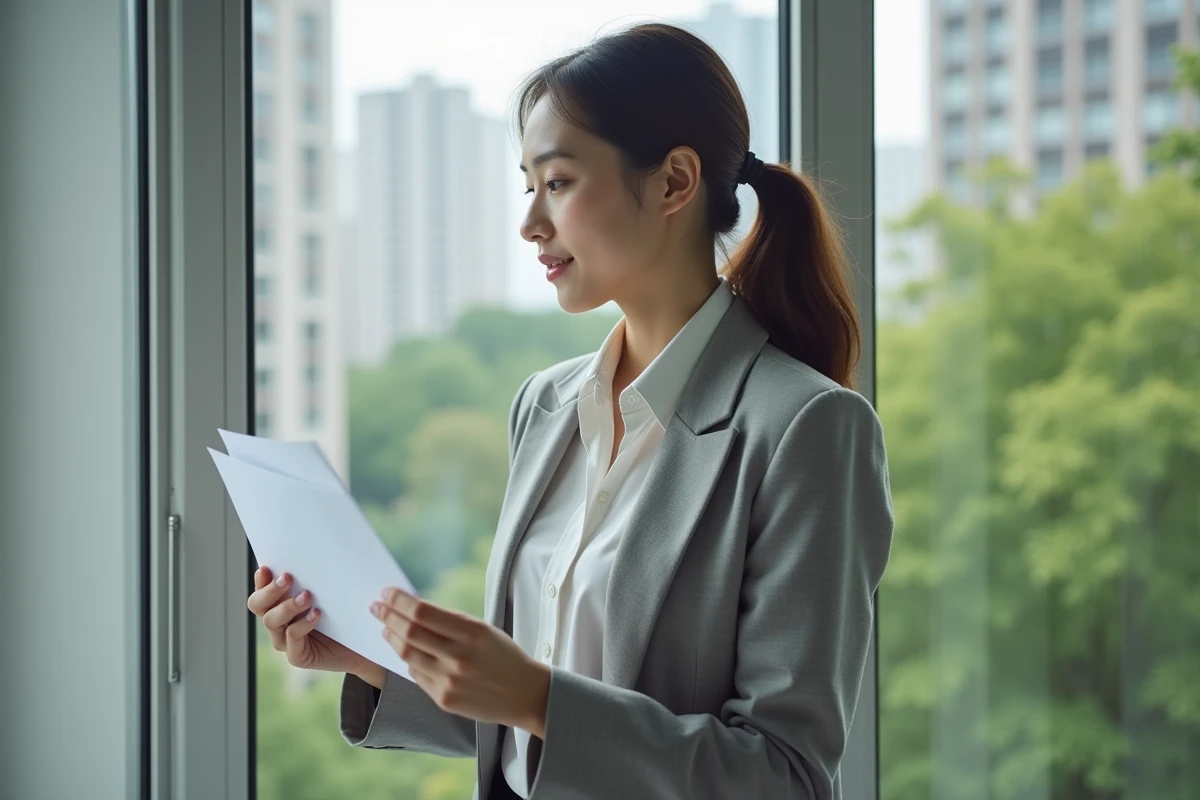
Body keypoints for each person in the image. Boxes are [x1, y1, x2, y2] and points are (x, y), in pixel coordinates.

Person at [247, 20, 893, 800]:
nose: (530, 223)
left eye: (556, 183)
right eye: (528, 186)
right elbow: (535, 724)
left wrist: (535, 696)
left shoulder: (807, 429)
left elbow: (784, 777)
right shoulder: (546, 405)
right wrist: (377, 665)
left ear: (674, 183)